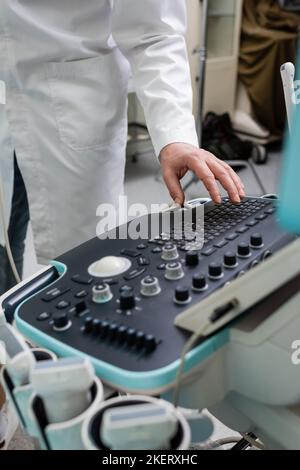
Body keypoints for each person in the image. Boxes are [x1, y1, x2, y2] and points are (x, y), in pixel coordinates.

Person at [0, 1, 244, 448]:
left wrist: (174, 135)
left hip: (69, 104)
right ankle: (13, 401)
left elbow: (154, 32)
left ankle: (98, 422)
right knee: (4, 271)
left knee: (88, 287)